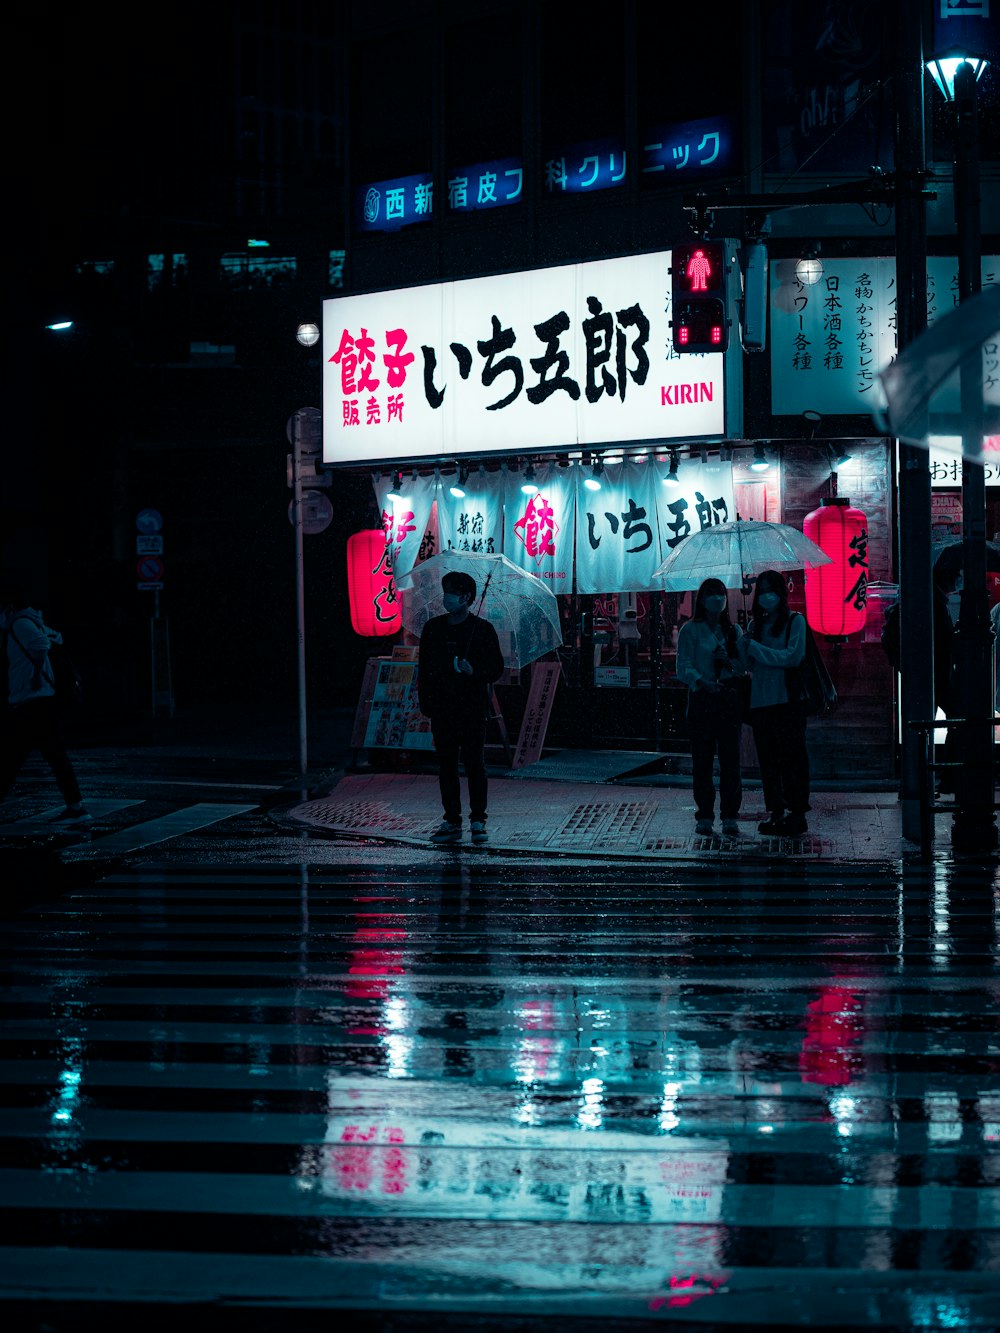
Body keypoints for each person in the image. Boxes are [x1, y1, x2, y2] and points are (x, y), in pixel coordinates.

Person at [417, 570, 504, 845]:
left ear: (467, 597)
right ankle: (451, 819)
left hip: (472, 709)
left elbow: (496, 669)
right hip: (442, 708)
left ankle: (478, 819)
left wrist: (474, 670)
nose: (448, 597)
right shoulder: (433, 629)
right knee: (446, 765)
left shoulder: (482, 630)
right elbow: (425, 669)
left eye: (453, 592)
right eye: (446, 591)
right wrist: (427, 703)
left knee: (475, 764)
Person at [0, 579, 90, 825]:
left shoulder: (19, 624)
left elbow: (42, 644)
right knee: (53, 756)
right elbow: (56, 637)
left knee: (12, 758)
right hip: (39, 704)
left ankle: (76, 806)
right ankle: (76, 806)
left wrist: (36, 676)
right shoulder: (29, 622)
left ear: (8, 607)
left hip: (32, 703)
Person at [740, 570, 810, 836]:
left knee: (792, 758)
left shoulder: (795, 622)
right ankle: (776, 811)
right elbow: (749, 666)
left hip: (788, 701)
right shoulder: (755, 626)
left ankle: (797, 812)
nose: (766, 596)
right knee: (768, 762)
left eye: (771, 590)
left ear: (782, 593)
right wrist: (742, 646)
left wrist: (756, 649)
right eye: (763, 591)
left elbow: (792, 658)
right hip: (761, 702)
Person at [675, 578, 746, 837]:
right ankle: (704, 814)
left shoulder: (734, 631)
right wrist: (702, 682)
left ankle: (730, 815)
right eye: (711, 594)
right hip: (702, 700)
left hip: (727, 700)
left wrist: (729, 661)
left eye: (720, 593)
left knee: (730, 761)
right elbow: (683, 667)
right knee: (702, 761)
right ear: (702, 600)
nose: (716, 598)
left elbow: (742, 667)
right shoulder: (690, 630)